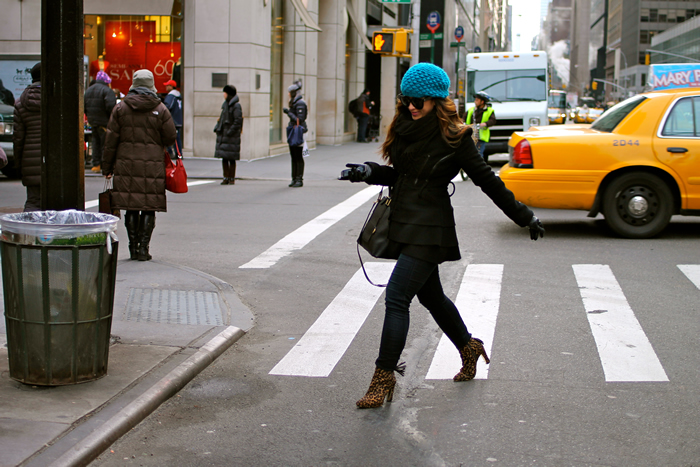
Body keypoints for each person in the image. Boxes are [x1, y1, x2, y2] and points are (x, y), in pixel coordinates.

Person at [339, 63, 545, 409]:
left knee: (397, 297)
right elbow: (401, 175)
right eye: (406, 100)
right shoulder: (405, 126)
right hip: (404, 221)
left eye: (417, 100)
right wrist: (368, 172)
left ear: (436, 99)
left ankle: (383, 377)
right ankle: (469, 347)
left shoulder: (456, 137)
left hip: (430, 228)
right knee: (431, 297)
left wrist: (524, 216)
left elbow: (488, 182)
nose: (411, 106)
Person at [102, 69, 177, 261]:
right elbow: (170, 137)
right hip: (152, 165)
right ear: (152, 85)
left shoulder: (121, 109)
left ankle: (133, 248)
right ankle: (144, 248)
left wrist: (107, 168)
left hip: (126, 164)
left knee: (131, 207)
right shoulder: (160, 109)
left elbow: (111, 141)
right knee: (149, 206)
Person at [13, 62, 42, 211]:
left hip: (30, 161)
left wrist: (18, 165)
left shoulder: (20, 103)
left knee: (33, 202)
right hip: (55, 163)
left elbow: (18, 139)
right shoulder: (57, 100)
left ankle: (30, 233)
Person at [84, 70, 116, 173]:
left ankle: (96, 164)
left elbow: (84, 106)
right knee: (106, 144)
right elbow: (111, 106)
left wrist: (89, 117)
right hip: (105, 122)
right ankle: (104, 165)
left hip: (93, 121)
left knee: (95, 142)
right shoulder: (107, 90)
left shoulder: (88, 90)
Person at [214, 84, 243, 185]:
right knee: (224, 157)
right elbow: (221, 119)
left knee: (231, 158)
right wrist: (217, 128)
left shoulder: (236, 106)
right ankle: (226, 177)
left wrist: (230, 131)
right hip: (225, 134)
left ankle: (231, 178)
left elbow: (237, 121)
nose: (223, 95)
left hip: (231, 136)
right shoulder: (225, 105)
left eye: (225, 93)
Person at [283, 80, 308, 187]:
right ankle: (294, 178)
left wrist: (288, 113)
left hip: (299, 132)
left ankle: (299, 178)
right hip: (293, 131)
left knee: (298, 156)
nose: (288, 94)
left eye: (289, 92)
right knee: (293, 156)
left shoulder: (300, 103)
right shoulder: (295, 103)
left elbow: (300, 119)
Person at [465, 90, 496, 159]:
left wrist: (485, 124)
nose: (475, 101)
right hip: (471, 136)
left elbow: (493, 120)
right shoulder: (471, 110)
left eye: (477, 100)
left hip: (481, 137)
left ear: (482, 102)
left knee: (479, 154)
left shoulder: (489, 111)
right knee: (469, 153)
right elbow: (464, 118)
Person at [163, 79, 183, 156]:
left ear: (171, 86)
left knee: (170, 137)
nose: (166, 87)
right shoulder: (178, 96)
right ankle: (179, 153)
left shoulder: (171, 96)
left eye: (167, 85)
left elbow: (167, 107)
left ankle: (172, 153)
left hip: (172, 120)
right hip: (178, 120)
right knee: (177, 138)